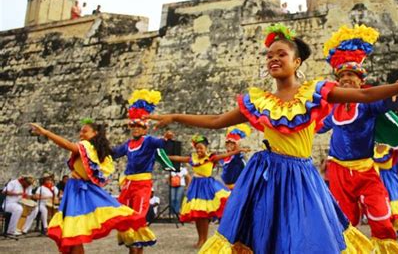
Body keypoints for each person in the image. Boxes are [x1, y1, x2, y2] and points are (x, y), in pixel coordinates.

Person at [146, 23, 398, 253]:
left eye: (281, 54)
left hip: (301, 177)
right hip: (266, 176)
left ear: (297, 60)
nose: (273, 59)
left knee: (306, 236)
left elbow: (365, 94)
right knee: (264, 234)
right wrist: (174, 116)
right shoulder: (259, 101)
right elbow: (216, 121)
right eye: (269, 55)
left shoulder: (315, 92)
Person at [318, 24, 398, 252]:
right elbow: (318, 126)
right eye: (342, 76)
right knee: (344, 219)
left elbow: (385, 101)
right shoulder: (333, 110)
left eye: (351, 75)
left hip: (365, 169)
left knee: (379, 212)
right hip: (339, 170)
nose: (346, 79)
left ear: (361, 80)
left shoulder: (367, 105)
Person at [29, 120, 145, 254]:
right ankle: (136, 242)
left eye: (85, 131)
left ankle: (136, 244)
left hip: (77, 191)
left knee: (73, 232)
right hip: (81, 189)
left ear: (95, 133)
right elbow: (94, 174)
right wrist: (77, 173)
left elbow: (67, 145)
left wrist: (46, 132)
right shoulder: (96, 150)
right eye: (80, 131)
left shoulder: (86, 146)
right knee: (74, 233)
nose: (81, 134)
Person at [112, 89, 172, 253]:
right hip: (128, 185)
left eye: (139, 126)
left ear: (145, 128)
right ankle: (132, 249)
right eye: (133, 126)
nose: (136, 129)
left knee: (137, 218)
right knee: (125, 218)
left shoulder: (149, 141)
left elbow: (162, 144)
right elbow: (114, 153)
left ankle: (137, 249)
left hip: (142, 186)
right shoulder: (128, 144)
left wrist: (166, 138)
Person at [167, 135, 241, 248]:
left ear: (206, 147)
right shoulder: (193, 158)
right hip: (195, 187)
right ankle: (200, 239)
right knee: (198, 214)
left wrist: (237, 151)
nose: (198, 150)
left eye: (201, 147)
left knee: (204, 214)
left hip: (207, 187)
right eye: (197, 148)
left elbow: (225, 155)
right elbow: (179, 158)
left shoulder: (211, 157)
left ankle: (204, 239)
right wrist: (167, 157)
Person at [220, 123, 251, 189]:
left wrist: (238, 149)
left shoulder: (237, 158)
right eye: (227, 143)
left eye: (232, 144)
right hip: (226, 187)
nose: (229, 145)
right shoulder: (225, 157)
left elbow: (238, 155)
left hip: (236, 188)